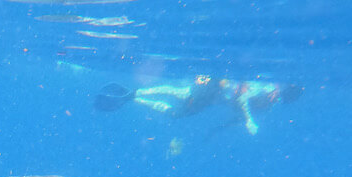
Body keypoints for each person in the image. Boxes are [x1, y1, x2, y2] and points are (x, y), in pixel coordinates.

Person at [95, 75, 302, 135]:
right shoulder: (264, 89)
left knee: (178, 106)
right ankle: (135, 95)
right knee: (182, 96)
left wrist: (218, 130)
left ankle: (134, 96)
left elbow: (238, 114)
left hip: (213, 97)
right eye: (279, 96)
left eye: (280, 100)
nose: (276, 99)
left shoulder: (268, 102)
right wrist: (249, 121)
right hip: (214, 88)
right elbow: (241, 99)